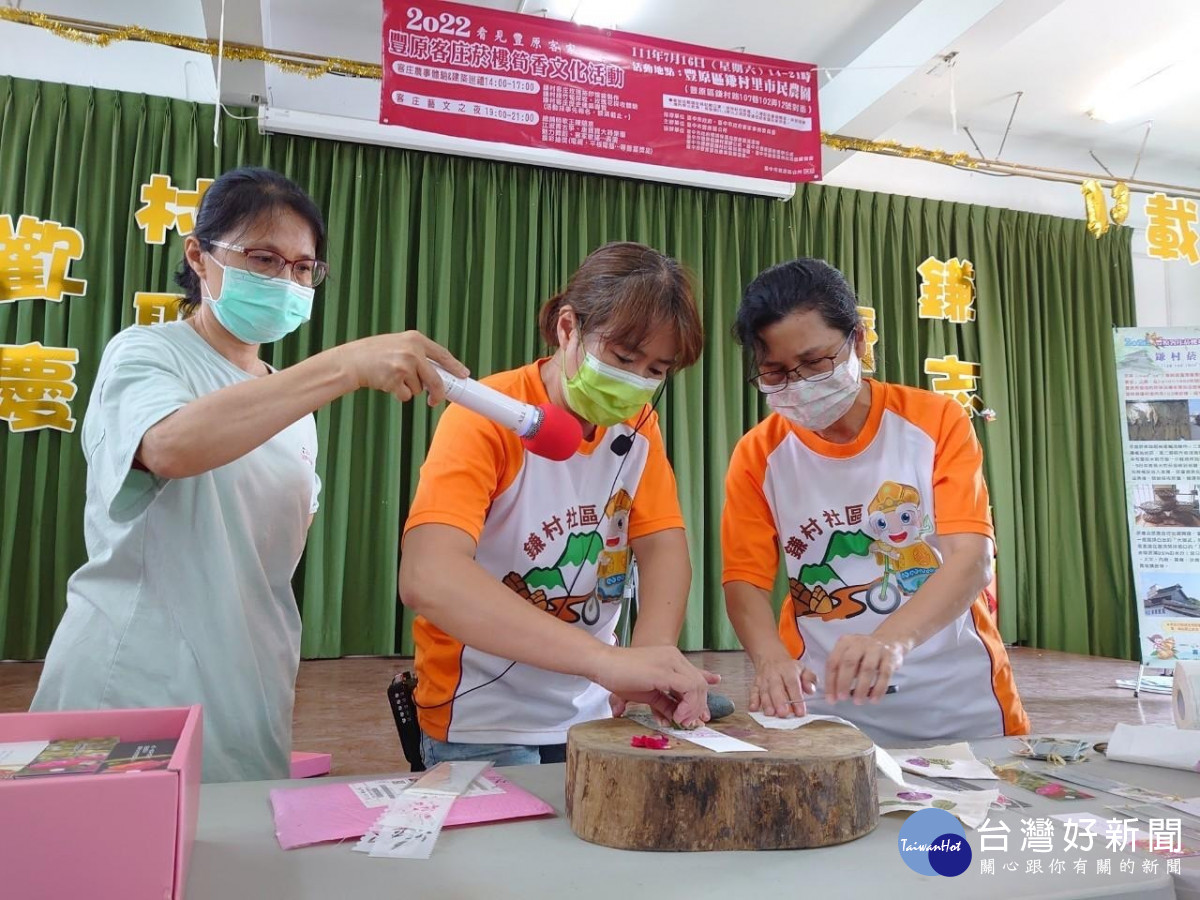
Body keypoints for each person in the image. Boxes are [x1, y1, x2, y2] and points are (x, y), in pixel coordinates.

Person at [31, 167, 471, 783]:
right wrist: (345, 366)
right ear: (199, 257)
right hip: (136, 677)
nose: (285, 280)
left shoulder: (287, 405)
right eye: (264, 258)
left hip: (250, 681)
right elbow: (168, 446)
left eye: (301, 267)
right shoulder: (149, 352)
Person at [399, 242, 718, 766]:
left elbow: (663, 547)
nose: (635, 382)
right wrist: (602, 662)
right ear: (568, 328)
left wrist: (648, 654)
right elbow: (428, 576)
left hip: (590, 716)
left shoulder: (639, 427)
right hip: (481, 722)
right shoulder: (487, 414)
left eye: (657, 371)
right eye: (622, 358)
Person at [721, 258, 1029, 745]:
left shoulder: (935, 422)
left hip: (955, 706)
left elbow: (970, 561)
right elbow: (744, 583)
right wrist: (771, 658)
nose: (799, 384)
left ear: (858, 341)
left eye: (815, 362)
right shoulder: (759, 454)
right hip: (823, 711)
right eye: (776, 373)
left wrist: (891, 640)